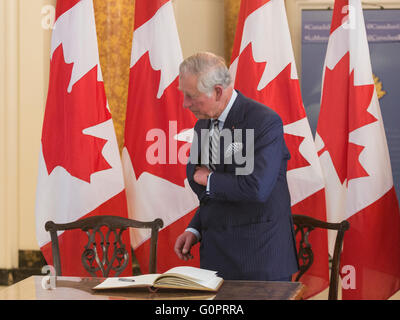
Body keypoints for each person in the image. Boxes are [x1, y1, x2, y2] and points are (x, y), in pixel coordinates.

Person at [174, 52, 298, 281]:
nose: (185, 104)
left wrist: (209, 178)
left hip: (258, 260)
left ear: (218, 91)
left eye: (191, 96)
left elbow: (256, 188)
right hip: (215, 260)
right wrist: (194, 229)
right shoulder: (204, 124)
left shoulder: (263, 122)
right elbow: (206, 186)